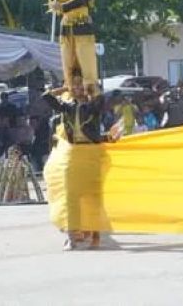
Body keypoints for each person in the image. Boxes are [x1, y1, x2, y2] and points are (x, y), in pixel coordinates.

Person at [43, 77, 116, 250]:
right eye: (74, 85)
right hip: (73, 155)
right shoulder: (67, 107)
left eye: (79, 84)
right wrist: (63, 89)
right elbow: (45, 97)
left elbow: (106, 98)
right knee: (71, 196)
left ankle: (95, 235)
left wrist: (93, 89)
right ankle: (72, 237)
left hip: (91, 154)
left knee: (93, 197)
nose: (77, 88)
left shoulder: (93, 107)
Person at [47, 0, 99, 89]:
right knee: (67, 60)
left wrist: (63, 7)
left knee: (85, 59)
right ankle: (69, 86)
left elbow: (80, 0)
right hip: (66, 29)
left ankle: (90, 87)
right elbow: (54, 2)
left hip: (82, 28)